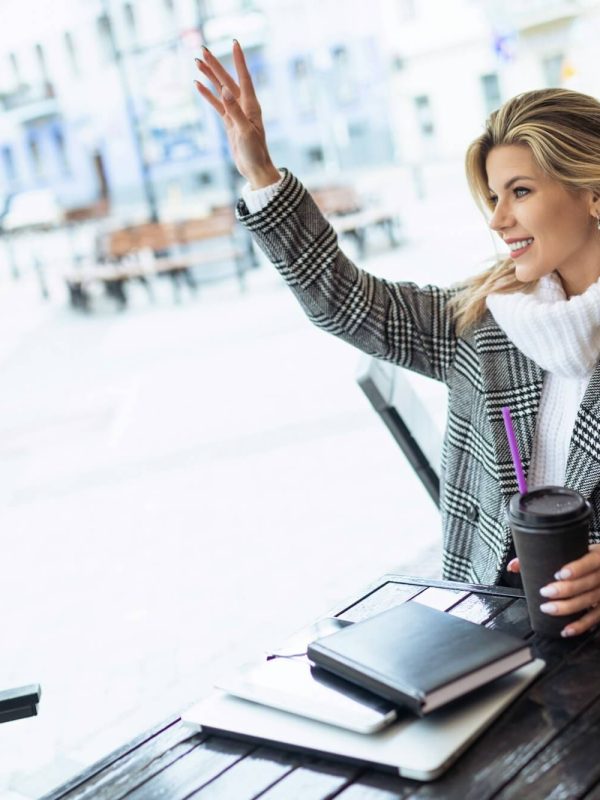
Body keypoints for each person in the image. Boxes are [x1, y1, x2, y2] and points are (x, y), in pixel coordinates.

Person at [194, 40, 600, 637]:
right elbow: (343, 300)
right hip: (489, 630)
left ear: (591, 192)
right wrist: (261, 174)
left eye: (520, 191)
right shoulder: (483, 323)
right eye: (493, 197)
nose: (496, 220)